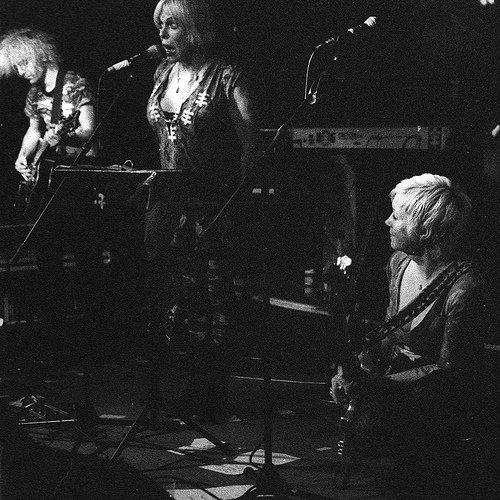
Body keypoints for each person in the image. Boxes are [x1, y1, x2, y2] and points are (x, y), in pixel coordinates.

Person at [330, 173, 490, 497]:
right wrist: (356, 370)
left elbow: (449, 370)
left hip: (435, 399)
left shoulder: (464, 290)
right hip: (399, 384)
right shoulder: (399, 263)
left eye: (397, 216)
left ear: (423, 229)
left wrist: (375, 385)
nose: (388, 222)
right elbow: (389, 331)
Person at [144, 0, 262, 423]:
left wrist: (236, 199)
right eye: (160, 25)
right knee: (178, 299)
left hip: (214, 205)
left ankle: (212, 392)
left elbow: (251, 143)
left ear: (194, 28)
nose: (162, 34)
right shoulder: (162, 74)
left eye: (172, 25)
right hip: (169, 207)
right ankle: (190, 386)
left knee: (215, 299)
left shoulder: (227, 76)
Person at [0, 28, 103, 356]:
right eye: (16, 67)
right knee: (48, 256)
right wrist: (23, 157)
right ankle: (55, 337)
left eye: (23, 63)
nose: (21, 72)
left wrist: (65, 137)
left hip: (78, 178)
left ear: (41, 55)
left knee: (86, 258)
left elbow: (88, 130)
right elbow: (34, 130)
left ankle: (95, 337)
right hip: (49, 182)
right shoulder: (33, 94)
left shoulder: (74, 83)